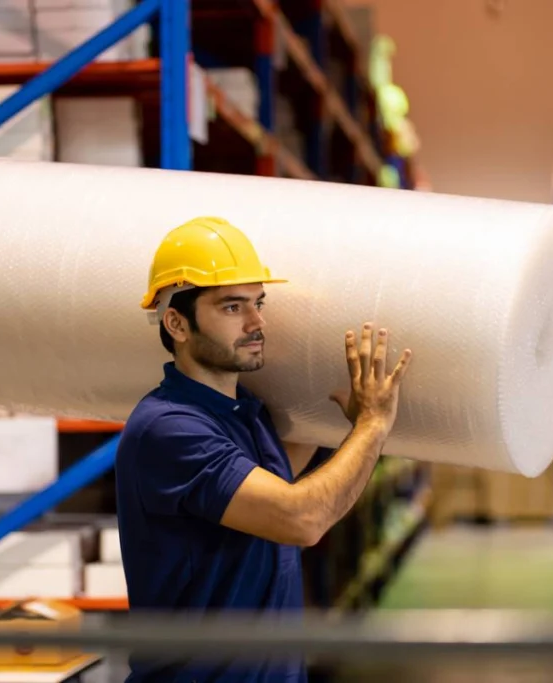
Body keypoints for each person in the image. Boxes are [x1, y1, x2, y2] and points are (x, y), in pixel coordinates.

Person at [114, 216, 413, 683]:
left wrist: (346, 422)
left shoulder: (242, 412)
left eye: (258, 303)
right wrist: (373, 425)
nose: (257, 323)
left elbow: (279, 483)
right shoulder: (168, 429)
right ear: (177, 323)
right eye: (233, 308)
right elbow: (300, 518)